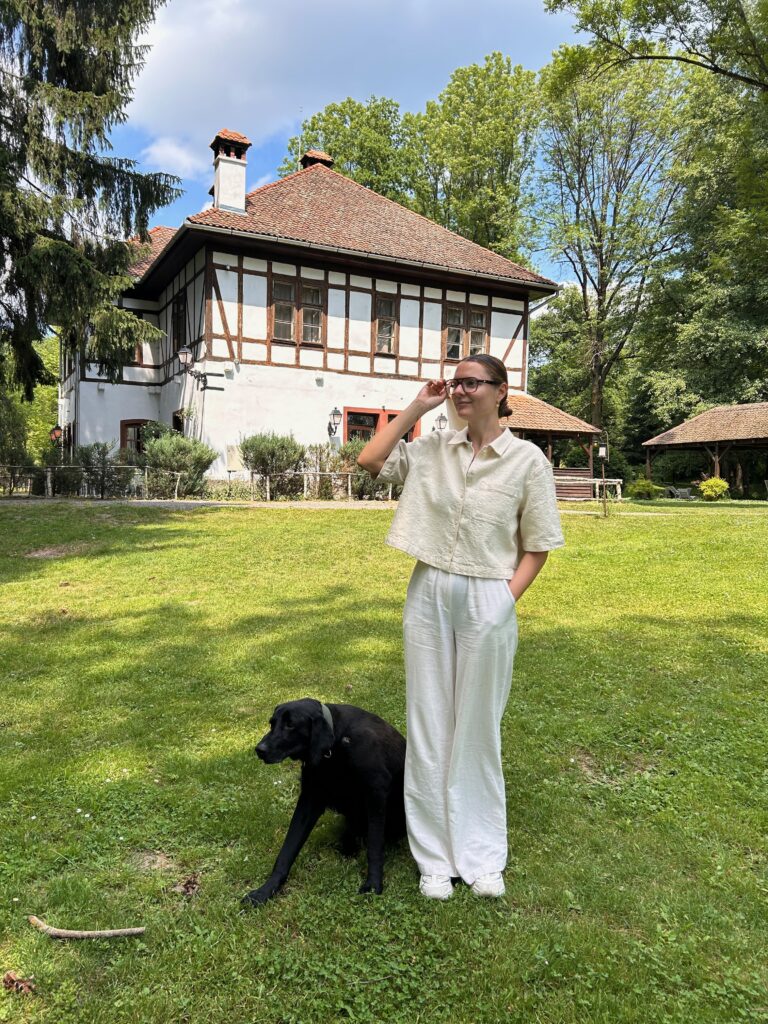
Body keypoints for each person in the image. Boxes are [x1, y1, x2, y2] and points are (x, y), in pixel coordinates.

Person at [357, 354, 564, 899]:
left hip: (488, 595)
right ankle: (434, 858)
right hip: (428, 592)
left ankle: (481, 855)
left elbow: (537, 546)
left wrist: (504, 602)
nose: (460, 391)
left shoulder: (527, 461)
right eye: (456, 384)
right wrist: (418, 407)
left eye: (472, 383)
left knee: (476, 727)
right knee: (429, 723)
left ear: (500, 391)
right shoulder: (432, 448)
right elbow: (369, 458)